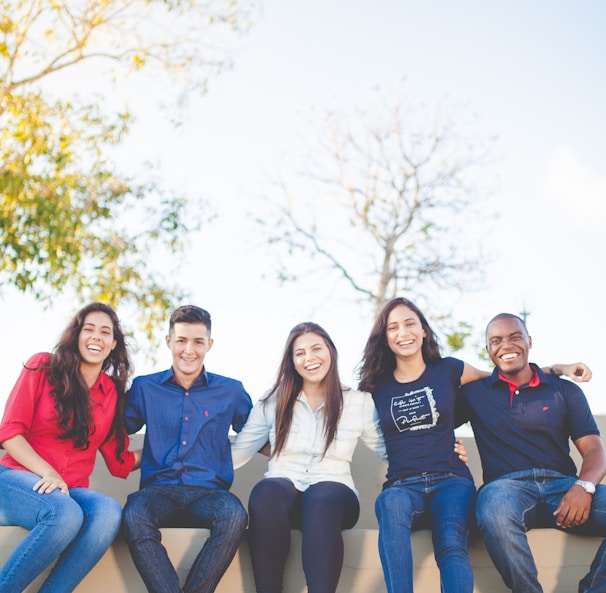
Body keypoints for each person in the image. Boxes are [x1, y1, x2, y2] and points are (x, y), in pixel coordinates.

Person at [357, 297, 587, 593]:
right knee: (389, 506)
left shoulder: (450, 369)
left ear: (424, 330)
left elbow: (505, 375)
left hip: (451, 480)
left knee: (451, 541)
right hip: (402, 484)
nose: (403, 333)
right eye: (393, 327)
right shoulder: (376, 385)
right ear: (385, 337)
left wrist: (557, 368)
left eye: (410, 324)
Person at [230, 321, 390, 593]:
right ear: (292, 362)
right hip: (283, 496)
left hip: (334, 496)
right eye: (299, 353)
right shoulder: (272, 401)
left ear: (331, 351)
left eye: (316, 348)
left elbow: (391, 450)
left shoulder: (358, 402)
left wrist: (440, 454)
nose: (309, 358)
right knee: (266, 491)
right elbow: (238, 451)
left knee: (321, 498)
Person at [457, 313, 605, 593]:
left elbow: (595, 450)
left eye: (515, 337)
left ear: (529, 341)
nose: (506, 345)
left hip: (563, 487)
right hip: (505, 489)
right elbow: (432, 418)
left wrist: (584, 487)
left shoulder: (564, 391)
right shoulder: (474, 394)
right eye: (496, 341)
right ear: (488, 350)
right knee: (494, 513)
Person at [0, 302, 139, 593]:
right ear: (76, 335)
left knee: (109, 512)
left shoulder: (111, 392)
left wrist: (169, 447)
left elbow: (120, 461)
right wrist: (48, 473)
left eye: (105, 332)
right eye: (88, 329)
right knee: (65, 514)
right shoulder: (43, 366)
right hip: (16, 478)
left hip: (69, 489)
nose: (95, 337)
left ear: (113, 344)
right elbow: (10, 433)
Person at [121, 305, 252, 593]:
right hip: (158, 491)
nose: (188, 350)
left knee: (234, 516)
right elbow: (114, 429)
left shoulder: (231, 391)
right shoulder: (145, 387)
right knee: (133, 514)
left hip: (210, 493)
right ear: (169, 341)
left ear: (210, 344)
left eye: (198, 341)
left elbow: (258, 434)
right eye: (181, 340)